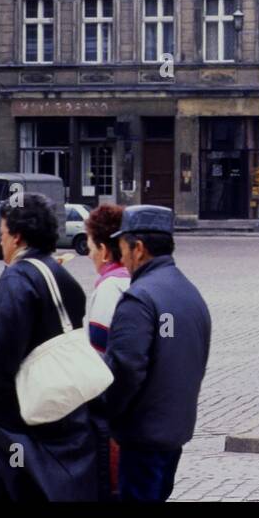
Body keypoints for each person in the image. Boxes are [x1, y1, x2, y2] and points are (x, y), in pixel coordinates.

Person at [0, 193, 97, 502]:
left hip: (25, 417)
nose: (0, 242)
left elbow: (3, 353)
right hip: (59, 411)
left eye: (2, 234)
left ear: (16, 237)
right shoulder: (59, 275)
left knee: (21, 487)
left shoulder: (17, 280)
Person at [105, 206, 211, 502]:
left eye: (122, 247)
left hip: (142, 436)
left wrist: (105, 416)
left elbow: (125, 370)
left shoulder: (139, 298)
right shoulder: (189, 292)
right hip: (172, 432)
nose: (121, 257)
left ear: (138, 248)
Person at [84, 204, 128, 501]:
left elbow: (96, 355)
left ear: (103, 249)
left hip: (111, 419)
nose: (88, 254)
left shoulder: (109, 290)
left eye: (89, 245)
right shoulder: (135, 279)